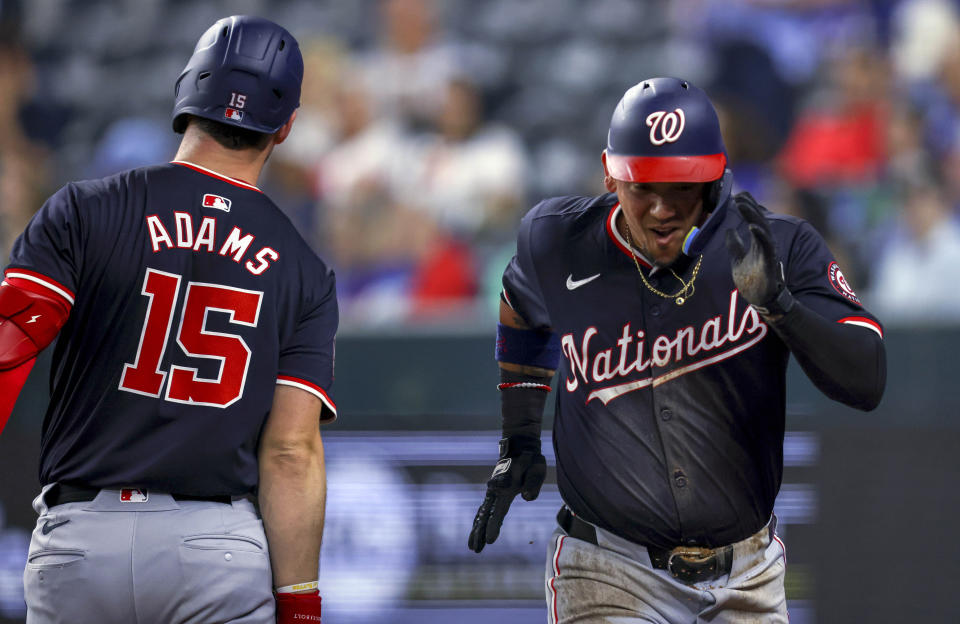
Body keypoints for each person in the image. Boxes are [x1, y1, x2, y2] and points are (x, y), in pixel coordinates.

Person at [468, 77, 886, 623]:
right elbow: (518, 303)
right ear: (609, 173)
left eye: (682, 187)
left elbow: (866, 378)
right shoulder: (556, 240)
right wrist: (519, 435)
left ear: (716, 178)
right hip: (607, 571)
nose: (662, 209)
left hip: (748, 576)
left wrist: (782, 307)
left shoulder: (778, 246)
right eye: (644, 187)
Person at [0, 16, 332, 623]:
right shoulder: (303, 267)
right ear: (284, 128)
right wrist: (301, 604)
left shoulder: (85, 209)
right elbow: (290, 452)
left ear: (186, 93)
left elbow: (7, 352)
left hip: (80, 543)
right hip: (215, 550)